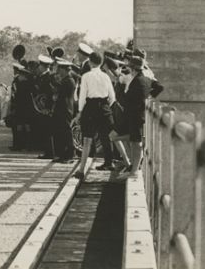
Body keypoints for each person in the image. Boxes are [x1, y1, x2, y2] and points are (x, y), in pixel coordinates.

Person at [73, 52, 115, 180]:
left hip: (90, 107)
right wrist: (105, 106)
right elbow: (112, 97)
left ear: (90, 62)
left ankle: (81, 170)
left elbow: (82, 97)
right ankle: (109, 162)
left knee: (87, 140)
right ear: (101, 63)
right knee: (106, 137)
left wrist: (80, 112)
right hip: (104, 106)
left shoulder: (86, 76)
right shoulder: (106, 76)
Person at [122, 55, 156, 175]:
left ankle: (135, 170)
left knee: (136, 143)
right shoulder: (146, 79)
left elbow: (131, 99)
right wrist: (150, 98)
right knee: (135, 142)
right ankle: (135, 168)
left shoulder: (137, 81)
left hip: (136, 115)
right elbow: (159, 87)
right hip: (140, 114)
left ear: (133, 68)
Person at [51, 58, 76, 163]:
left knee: (66, 132)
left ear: (65, 69)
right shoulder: (65, 80)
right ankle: (62, 154)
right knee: (60, 132)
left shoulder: (69, 81)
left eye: (60, 69)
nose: (59, 71)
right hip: (61, 109)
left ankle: (70, 154)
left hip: (65, 109)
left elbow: (62, 95)